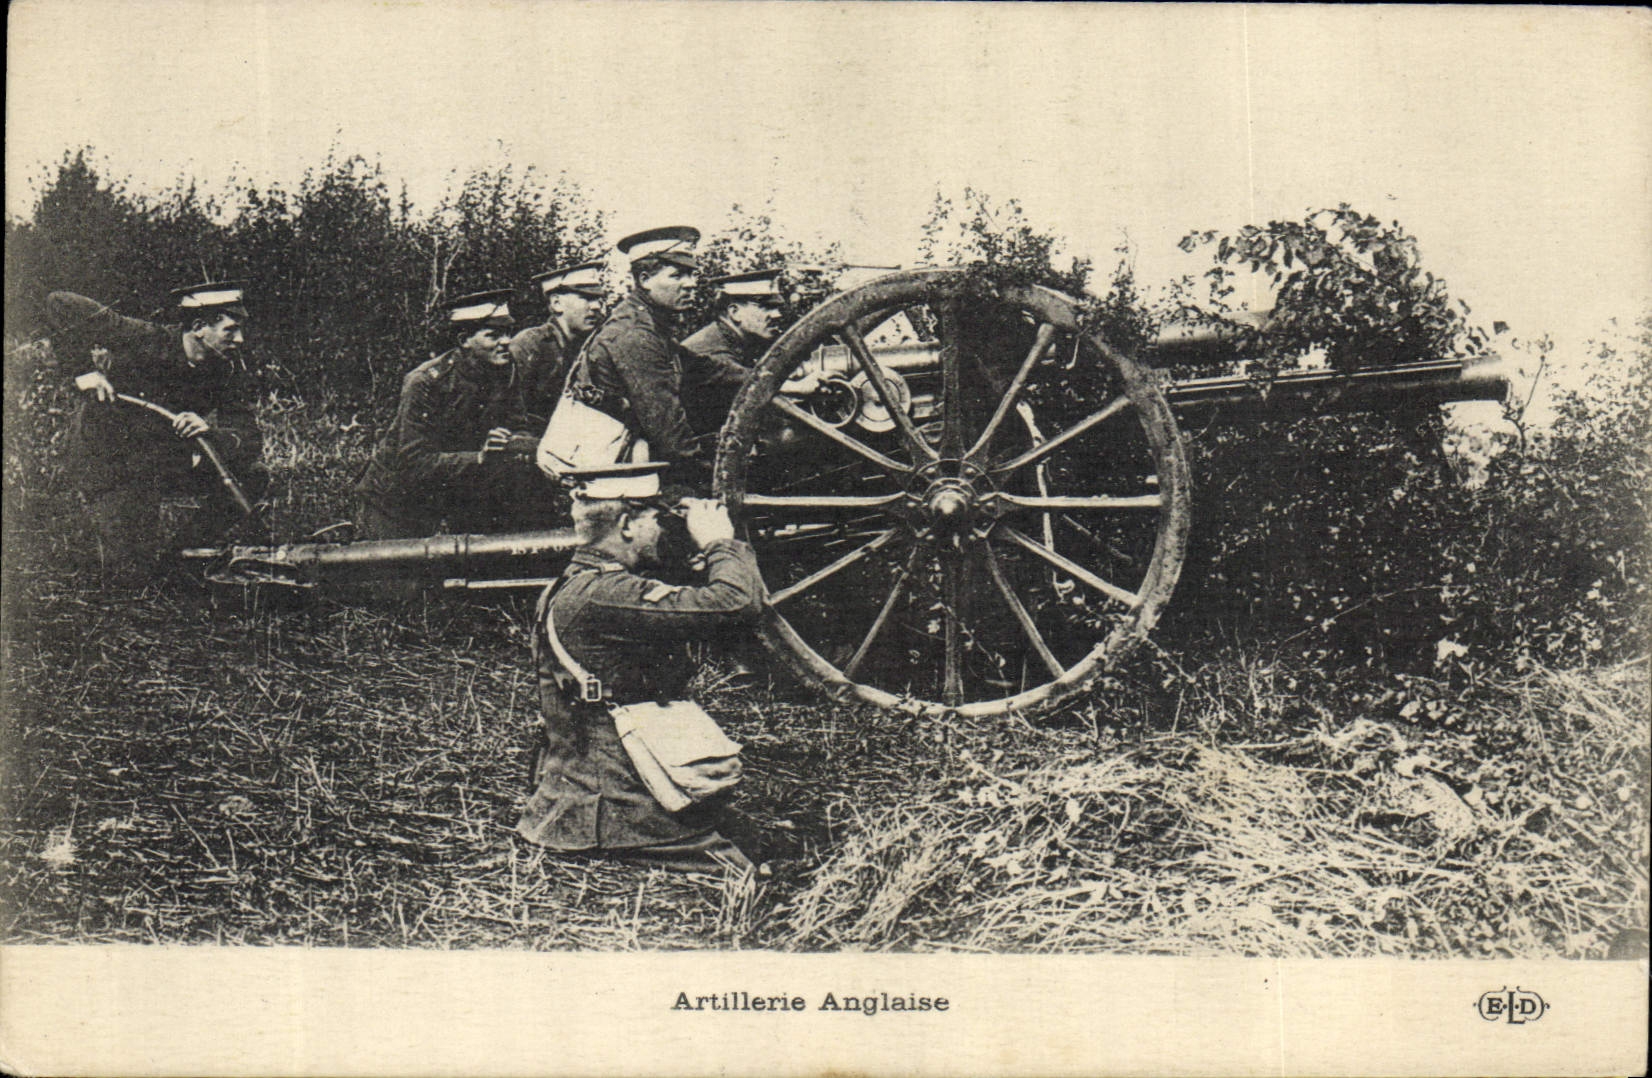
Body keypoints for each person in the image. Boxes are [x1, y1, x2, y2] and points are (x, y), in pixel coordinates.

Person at [516, 461, 763, 876]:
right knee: (746, 873)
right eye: (654, 517)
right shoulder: (605, 594)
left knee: (766, 841)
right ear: (627, 524)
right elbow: (736, 604)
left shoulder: (584, 584)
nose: (663, 529)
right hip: (613, 808)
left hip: (607, 787)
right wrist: (721, 544)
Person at [47, 281, 267, 584]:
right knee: (130, 577)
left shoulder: (226, 369)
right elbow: (60, 301)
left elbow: (249, 436)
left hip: (162, 460)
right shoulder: (146, 338)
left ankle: (181, 557)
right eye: (230, 330)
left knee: (253, 475)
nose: (240, 339)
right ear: (200, 327)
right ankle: (147, 562)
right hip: (113, 466)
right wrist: (83, 372)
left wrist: (210, 432)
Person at [354, 289, 544, 539]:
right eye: (493, 335)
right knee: (397, 572)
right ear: (464, 340)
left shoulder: (505, 371)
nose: (506, 342)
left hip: (453, 489)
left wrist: (513, 442)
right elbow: (415, 462)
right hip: (395, 499)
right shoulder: (426, 382)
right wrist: (479, 458)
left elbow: (519, 424)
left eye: (508, 333)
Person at [540, 226, 715, 480]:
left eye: (691, 275)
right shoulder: (635, 334)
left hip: (619, 460)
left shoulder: (648, 322)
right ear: (644, 279)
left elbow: (703, 367)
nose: (690, 285)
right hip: (608, 472)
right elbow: (667, 428)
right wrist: (711, 473)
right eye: (677, 276)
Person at [678, 268, 786, 438]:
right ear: (734, 312)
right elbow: (742, 379)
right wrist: (798, 386)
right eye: (766, 307)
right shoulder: (707, 348)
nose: (777, 314)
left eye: (778, 307)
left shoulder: (736, 340)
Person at [508, 259, 606, 426]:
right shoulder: (530, 344)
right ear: (556, 303)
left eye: (598, 299)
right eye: (587, 298)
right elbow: (512, 409)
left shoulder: (595, 344)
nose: (596, 306)